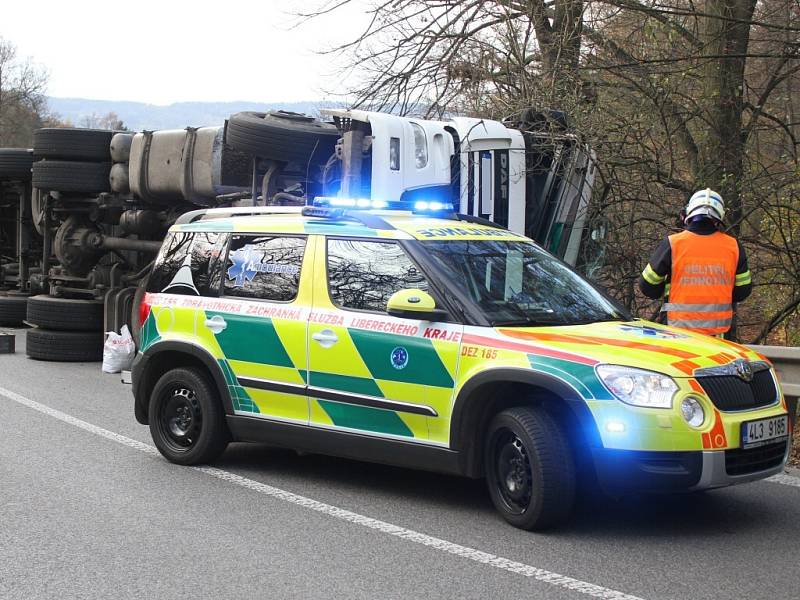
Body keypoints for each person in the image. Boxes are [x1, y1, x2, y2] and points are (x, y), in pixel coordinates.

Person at [639, 188, 752, 336]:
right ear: (720, 216)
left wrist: (667, 288)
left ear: (689, 212)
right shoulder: (733, 247)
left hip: (676, 335)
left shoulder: (673, 244)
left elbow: (647, 286)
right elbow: (742, 291)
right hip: (718, 338)